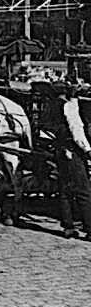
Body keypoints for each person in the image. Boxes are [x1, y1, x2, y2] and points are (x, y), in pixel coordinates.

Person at [54, 80, 91, 240]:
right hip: (73, 151)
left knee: (65, 189)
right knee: (84, 191)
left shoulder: (54, 105)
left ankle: (68, 227)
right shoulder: (69, 107)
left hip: (61, 151)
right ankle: (90, 228)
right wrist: (88, 150)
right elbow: (77, 131)